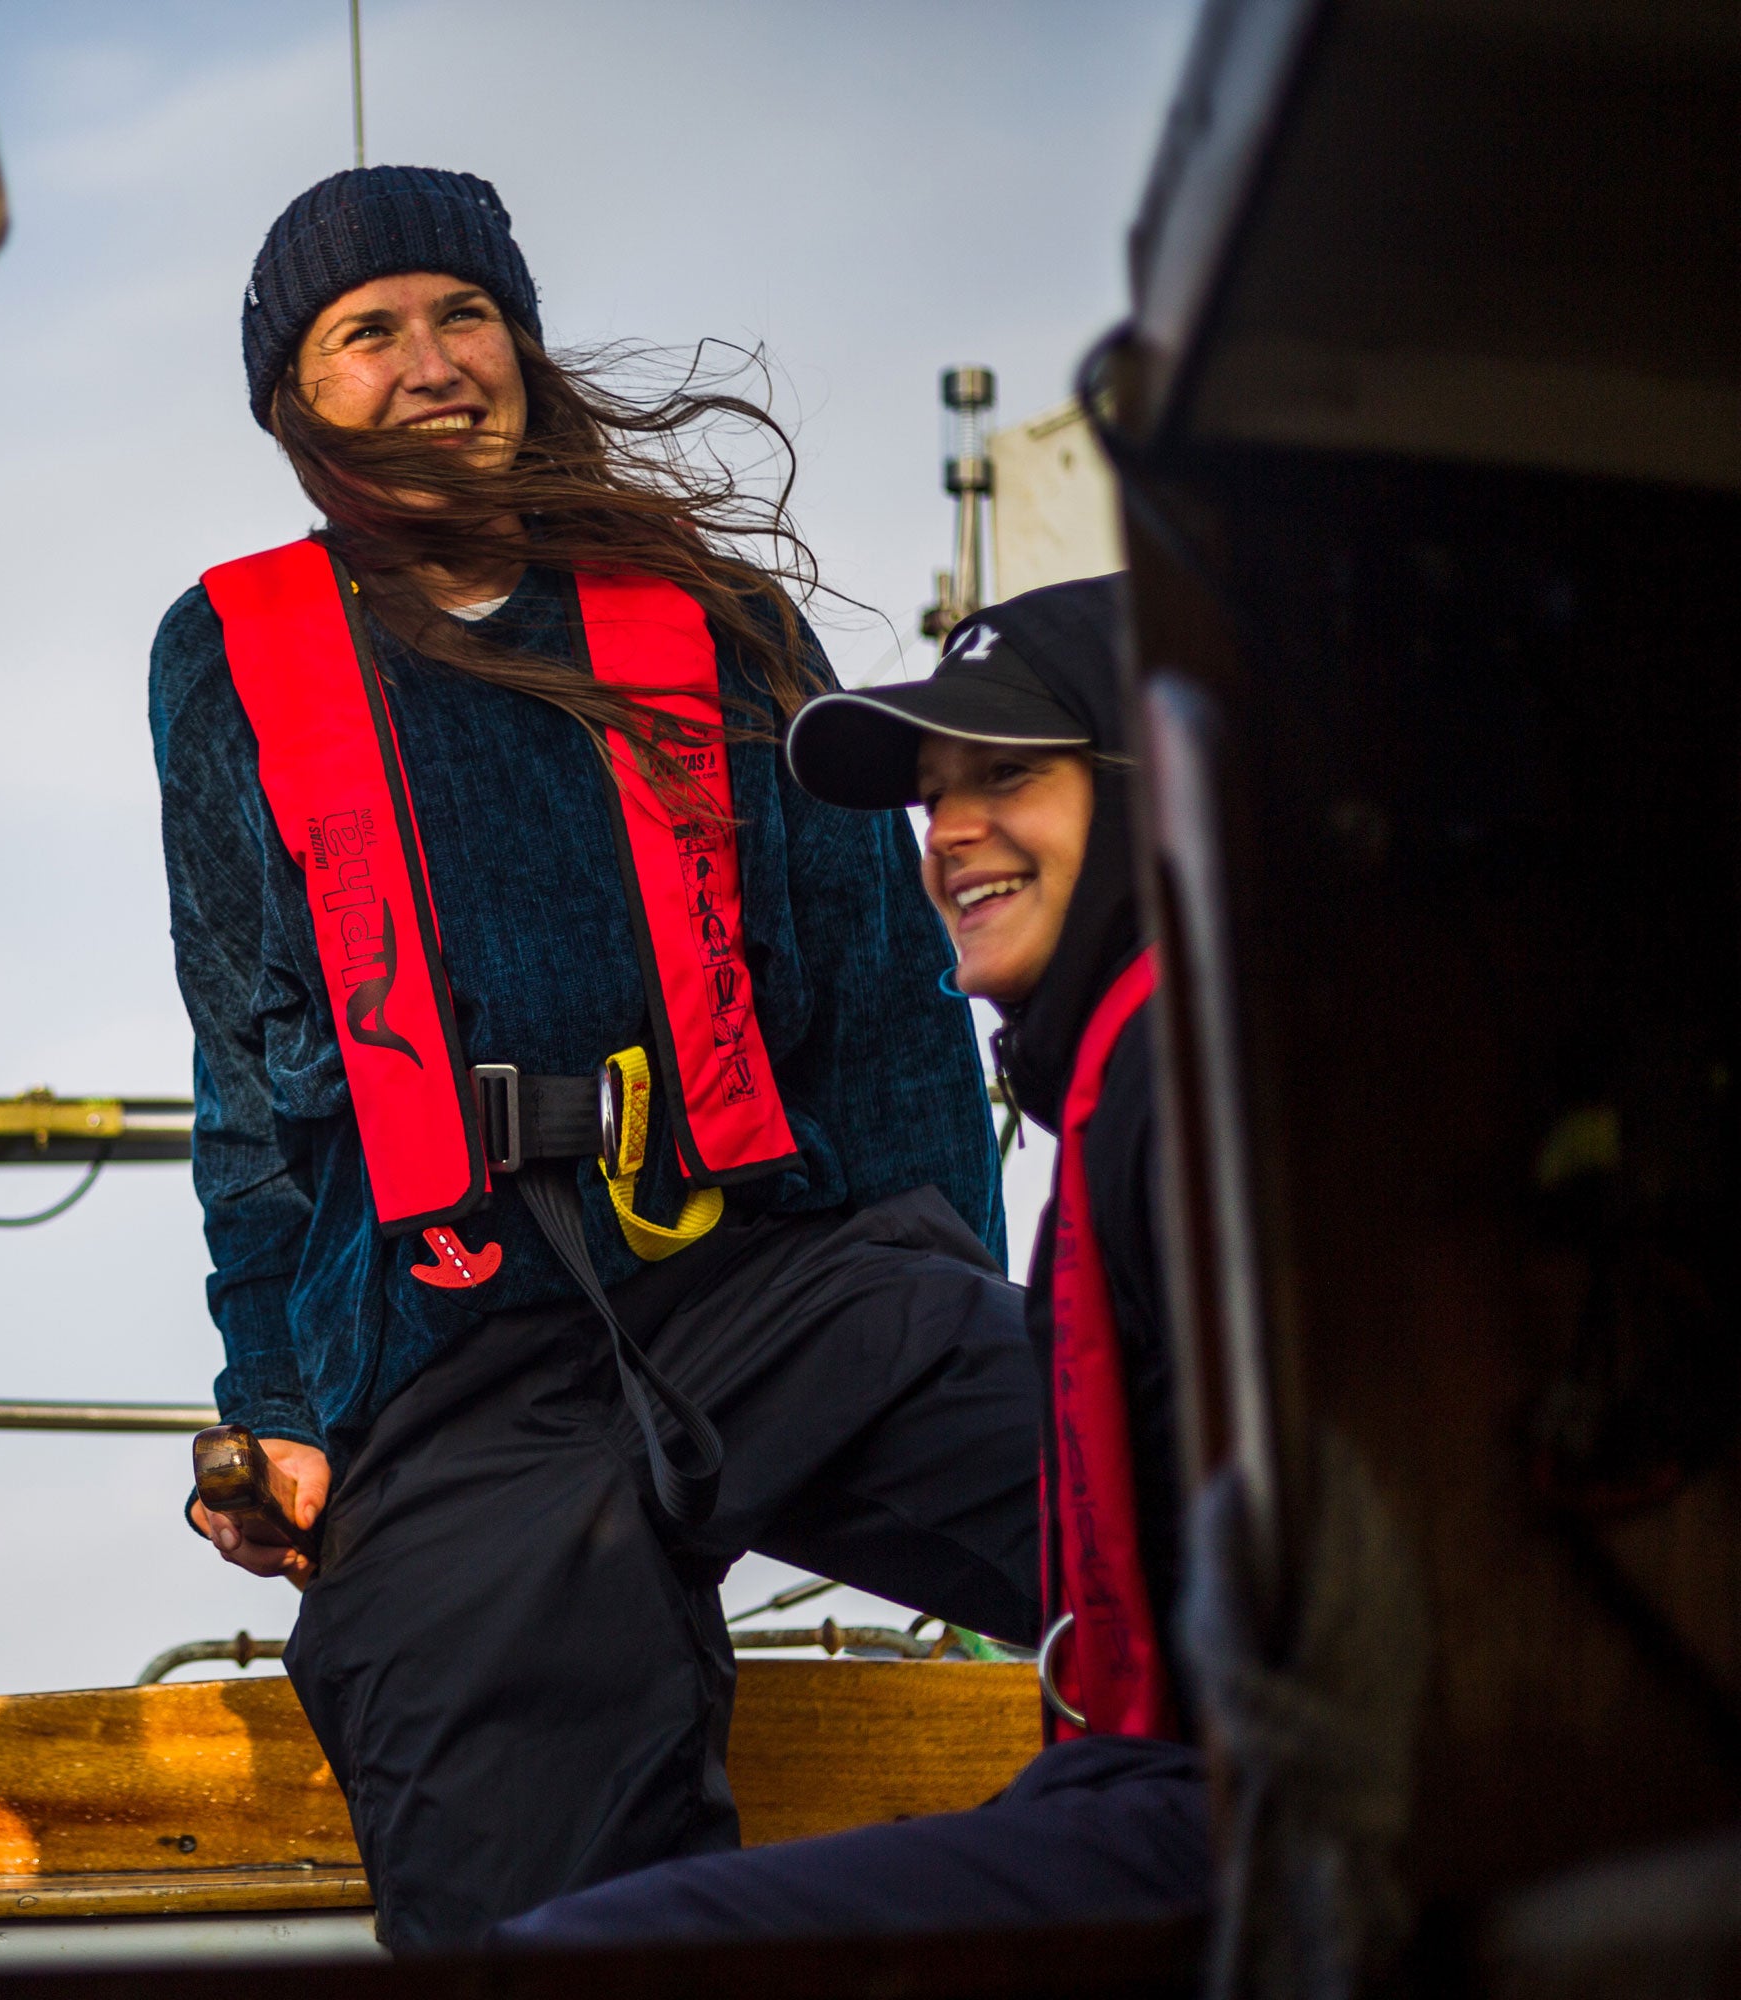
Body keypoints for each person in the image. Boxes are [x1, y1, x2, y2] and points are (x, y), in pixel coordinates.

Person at [150, 165, 1045, 1951]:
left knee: (1157, 1496)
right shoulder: (224, 655)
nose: (430, 360)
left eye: (464, 314)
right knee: (522, 1878)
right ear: (292, 405)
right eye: (366, 332)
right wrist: (275, 1397)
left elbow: (881, 999)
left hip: (778, 1279)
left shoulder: (712, 619)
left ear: (526, 353)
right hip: (451, 1347)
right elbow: (246, 1065)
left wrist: (948, 1276)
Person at [495, 574, 1212, 1947]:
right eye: (934, 797)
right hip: (1171, 1774)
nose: (951, 835)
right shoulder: (1151, 1069)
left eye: (1008, 776)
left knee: (577, 1960)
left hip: (1276, 1809)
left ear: (1161, 787)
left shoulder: (1205, 1090)